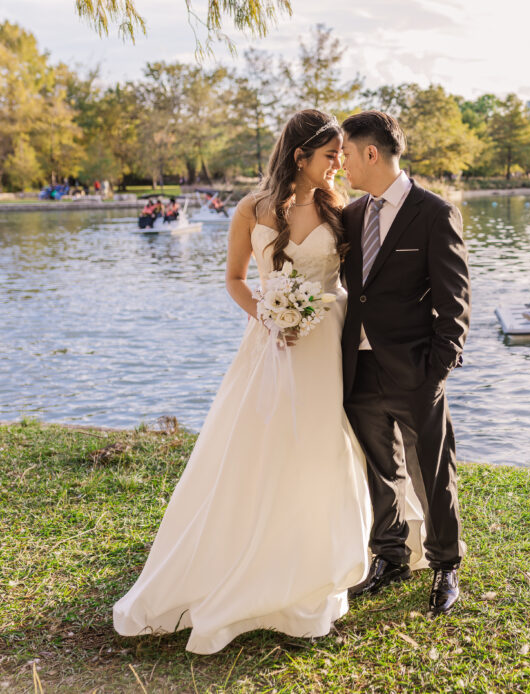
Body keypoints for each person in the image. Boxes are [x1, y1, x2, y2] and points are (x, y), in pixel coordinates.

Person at [113, 109, 381, 654]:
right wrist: (267, 314)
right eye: (330, 156)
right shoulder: (250, 209)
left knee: (319, 448)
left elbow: (361, 280)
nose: (339, 165)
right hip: (272, 346)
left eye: (341, 156)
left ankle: (309, 568)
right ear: (300, 156)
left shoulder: (342, 211)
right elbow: (235, 279)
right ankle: (244, 567)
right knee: (261, 449)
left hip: (326, 346)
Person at [339, 110, 471, 616]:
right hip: (359, 367)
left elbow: (455, 301)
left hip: (416, 369)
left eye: (347, 154)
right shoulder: (351, 216)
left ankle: (445, 565)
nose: (343, 164)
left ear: (371, 153)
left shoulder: (434, 213)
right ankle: (390, 555)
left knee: (431, 471)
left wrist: (437, 368)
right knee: (379, 469)